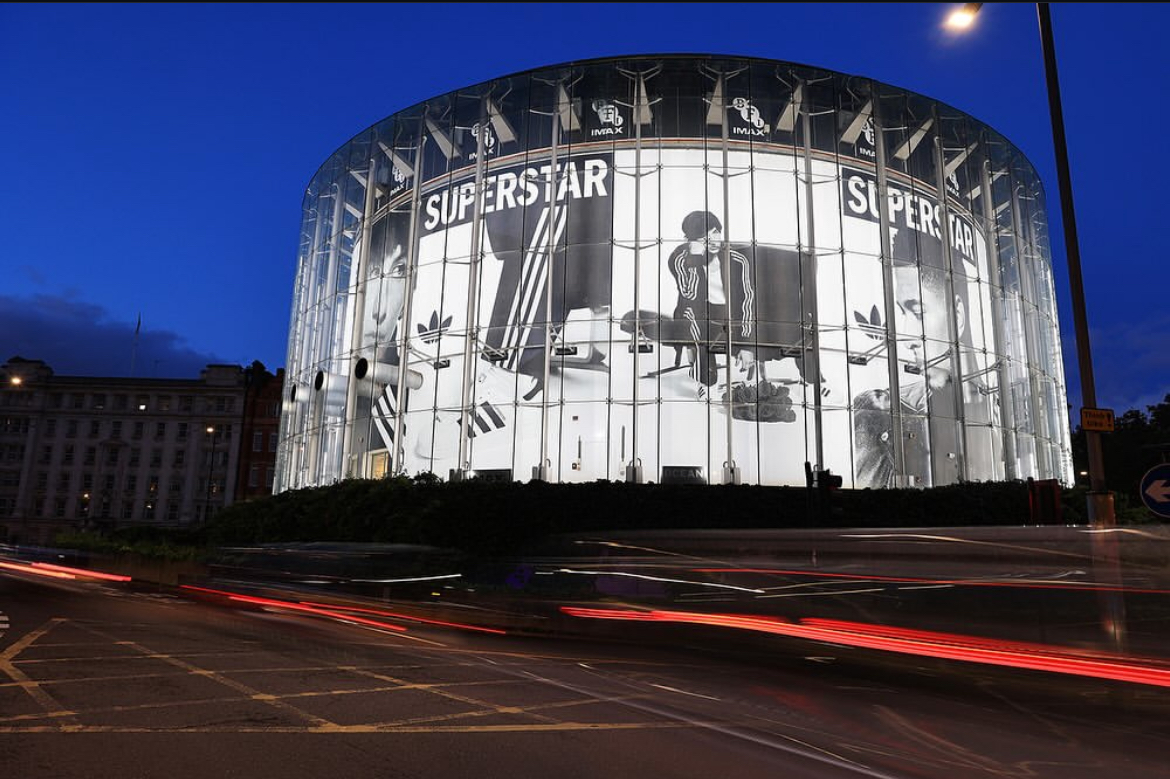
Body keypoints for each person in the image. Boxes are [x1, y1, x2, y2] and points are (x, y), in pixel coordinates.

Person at [667, 210, 755, 399]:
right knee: (697, 321)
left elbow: (748, 300)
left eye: (715, 232)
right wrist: (697, 260)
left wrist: (747, 344)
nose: (714, 240)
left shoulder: (737, 259)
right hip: (695, 311)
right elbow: (688, 294)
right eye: (704, 237)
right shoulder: (680, 258)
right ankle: (707, 381)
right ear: (691, 240)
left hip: (729, 313)